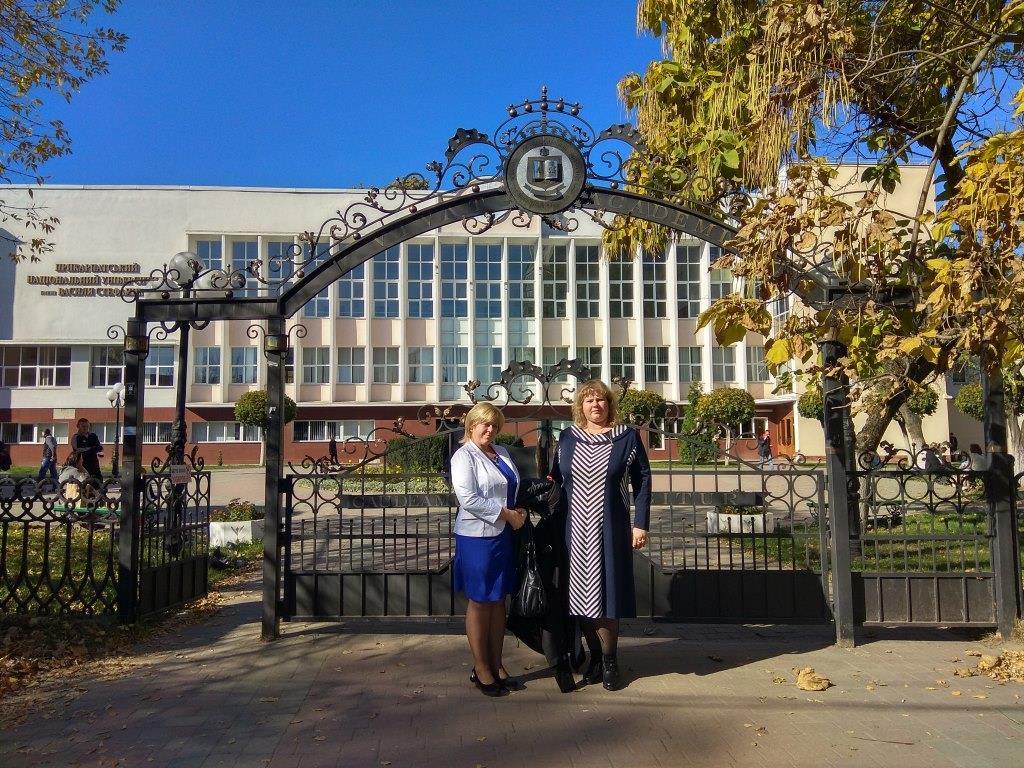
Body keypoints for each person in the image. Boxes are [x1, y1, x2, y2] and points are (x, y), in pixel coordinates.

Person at [549, 380, 651, 691]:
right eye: (589, 400)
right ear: (580, 407)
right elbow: (555, 479)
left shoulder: (626, 437)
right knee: (581, 595)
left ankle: (609, 660)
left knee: (607, 594)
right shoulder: (567, 438)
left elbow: (643, 479)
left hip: (610, 528)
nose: (596, 405)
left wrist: (640, 524)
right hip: (573, 530)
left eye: (601, 400)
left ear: (609, 404)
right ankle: (594, 658)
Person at [450, 402, 527, 697]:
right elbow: (468, 498)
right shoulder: (464, 456)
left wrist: (519, 509)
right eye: (485, 423)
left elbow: (510, 487)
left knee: (498, 600)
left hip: (504, 535)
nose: (490, 429)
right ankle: (481, 668)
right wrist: (507, 514)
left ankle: (497, 665)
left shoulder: (502, 452)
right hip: (477, 538)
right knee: (481, 601)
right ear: (472, 425)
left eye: (495, 425)